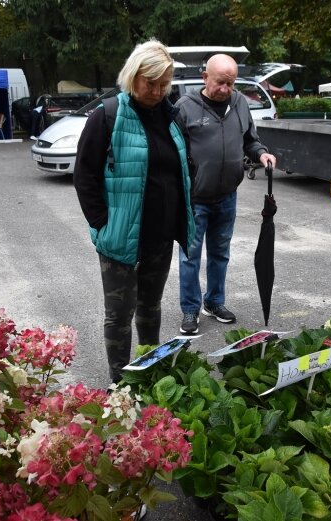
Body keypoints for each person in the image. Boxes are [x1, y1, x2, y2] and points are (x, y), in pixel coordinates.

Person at [73, 39, 195, 383]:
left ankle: (149, 371)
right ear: (133, 77)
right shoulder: (108, 116)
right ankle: (120, 384)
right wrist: (102, 224)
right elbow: (84, 176)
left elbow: (185, 167)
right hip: (121, 237)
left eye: (164, 84)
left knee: (151, 307)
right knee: (119, 314)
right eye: (151, 83)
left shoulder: (172, 117)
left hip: (161, 235)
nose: (158, 91)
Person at [175, 53, 277, 334]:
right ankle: (190, 309)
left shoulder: (240, 103)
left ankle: (215, 302)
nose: (226, 90)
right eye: (221, 82)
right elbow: (175, 154)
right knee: (190, 256)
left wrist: (262, 154)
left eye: (231, 84)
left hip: (227, 196)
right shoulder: (184, 107)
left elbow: (250, 141)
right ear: (205, 77)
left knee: (220, 254)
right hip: (195, 198)